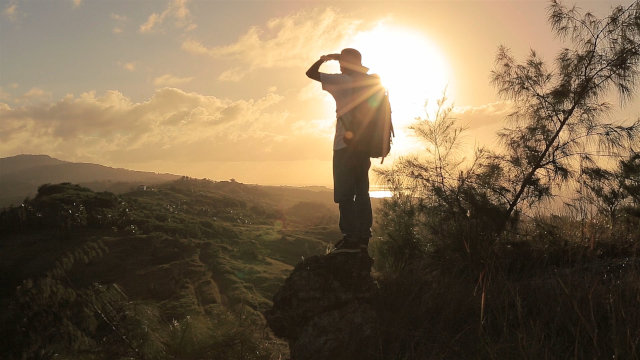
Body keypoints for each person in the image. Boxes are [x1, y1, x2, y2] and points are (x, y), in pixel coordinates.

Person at [306, 48, 377, 253]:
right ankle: (363, 237)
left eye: (341, 62)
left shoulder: (342, 81)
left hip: (344, 147)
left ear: (344, 63)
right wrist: (344, 59)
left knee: (345, 194)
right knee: (362, 192)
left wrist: (325, 59)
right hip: (364, 148)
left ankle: (350, 238)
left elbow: (310, 73)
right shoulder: (370, 83)